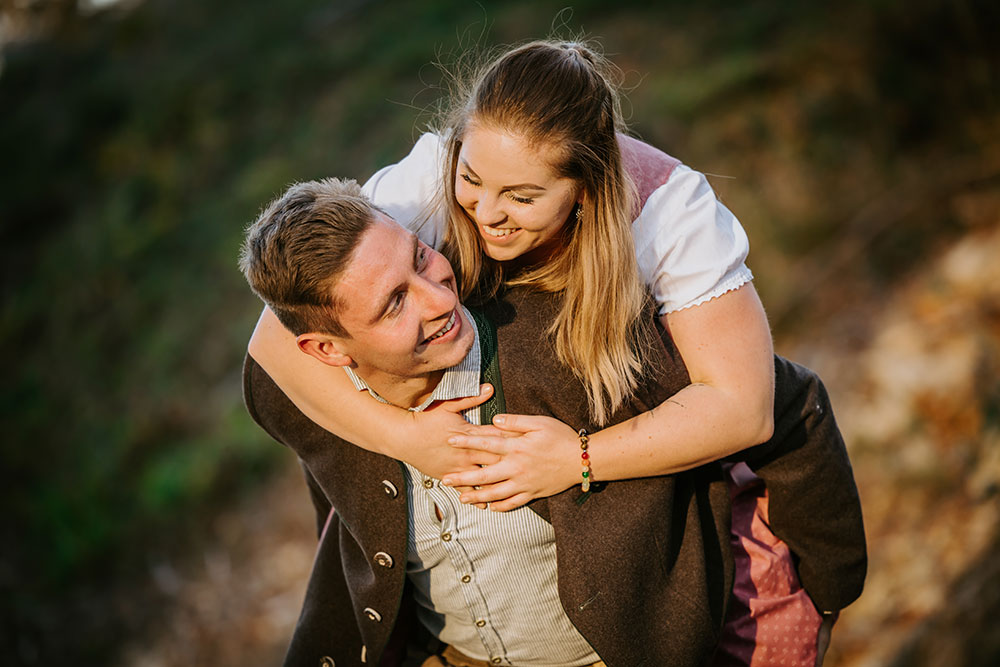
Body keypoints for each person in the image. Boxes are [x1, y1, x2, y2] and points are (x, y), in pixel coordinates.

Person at [246, 40, 866, 665]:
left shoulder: (668, 217)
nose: (486, 214)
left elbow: (751, 408)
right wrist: (407, 439)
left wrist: (578, 458)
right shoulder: (419, 194)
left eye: (521, 196)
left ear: (586, 190)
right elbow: (279, 335)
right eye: (472, 179)